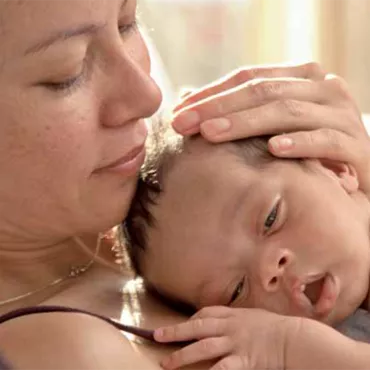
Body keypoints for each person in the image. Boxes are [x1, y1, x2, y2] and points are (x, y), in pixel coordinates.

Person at [0, 0, 370, 369]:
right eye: (68, 73)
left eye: (127, 22)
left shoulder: (199, 185)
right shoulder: (66, 345)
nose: (149, 95)